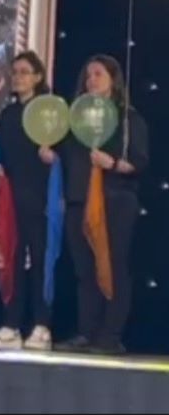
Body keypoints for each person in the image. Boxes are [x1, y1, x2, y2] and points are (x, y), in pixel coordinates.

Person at [46, 55, 148, 355]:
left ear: (113, 80)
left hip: (115, 200)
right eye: (88, 75)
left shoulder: (128, 119)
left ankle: (110, 336)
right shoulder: (76, 120)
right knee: (85, 270)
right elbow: (65, 157)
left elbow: (140, 161)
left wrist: (112, 163)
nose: (91, 80)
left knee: (113, 266)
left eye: (98, 74)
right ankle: (86, 332)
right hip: (79, 200)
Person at [0, 51, 54, 351]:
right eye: (15, 72)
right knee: (13, 259)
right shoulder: (9, 114)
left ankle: (42, 326)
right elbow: (3, 153)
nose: (18, 77)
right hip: (12, 196)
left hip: (41, 196)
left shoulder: (48, 111)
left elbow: (61, 155)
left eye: (24, 72)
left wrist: (52, 157)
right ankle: (11, 326)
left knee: (41, 260)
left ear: (38, 77)